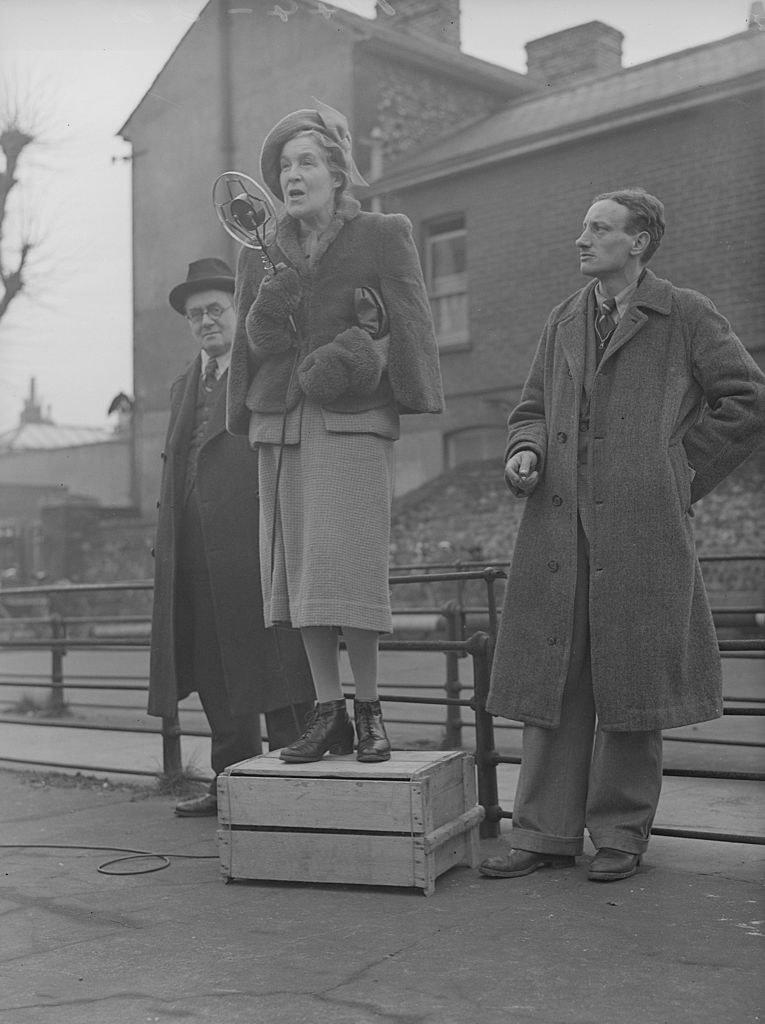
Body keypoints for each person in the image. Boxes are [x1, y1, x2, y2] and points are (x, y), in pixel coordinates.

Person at [480, 188, 765, 882]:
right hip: (556, 525)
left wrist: (678, 470)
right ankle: (543, 831)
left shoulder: (685, 313)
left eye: (598, 228)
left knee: (629, 675)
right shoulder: (563, 319)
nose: (581, 239)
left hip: (640, 527)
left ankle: (618, 834)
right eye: (582, 227)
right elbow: (529, 407)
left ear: (638, 241)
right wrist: (526, 449)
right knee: (556, 671)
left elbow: (746, 398)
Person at [227, 100, 443, 764]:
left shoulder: (381, 232)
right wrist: (274, 298)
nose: (293, 176)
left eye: (307, 162)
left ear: (337, 172)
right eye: (284, 166)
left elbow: (406, 319)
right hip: (281, 422)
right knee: (301, 577)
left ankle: (370, 710)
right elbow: (250, 345)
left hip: (351, 418)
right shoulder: (258, 252)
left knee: (349, 566)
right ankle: (329, 713)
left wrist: (372, 365)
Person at [149, 257, 315, 815]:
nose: (206, 321)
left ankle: (291, 789)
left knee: (276, 662)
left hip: (256, 546)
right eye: (196, 314)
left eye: (216, 309)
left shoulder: (263, 368)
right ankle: (230, 785)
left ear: (238, 310)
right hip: (194, 556)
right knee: (215, 667)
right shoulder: (183, 386)